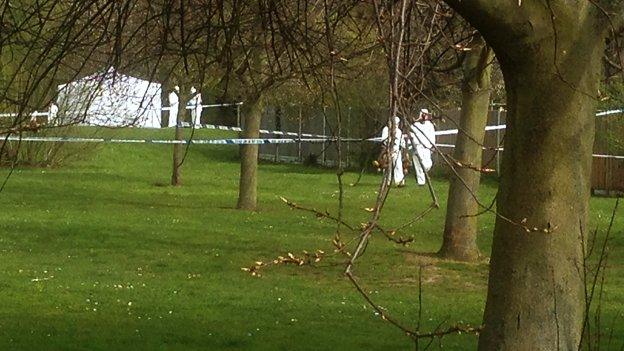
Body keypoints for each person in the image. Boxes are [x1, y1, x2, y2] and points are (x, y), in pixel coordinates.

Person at [409, 108, 436, 185]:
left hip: (427, 147)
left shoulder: (430, 125)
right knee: (419, 164)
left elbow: (432, 135)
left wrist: (433, 145)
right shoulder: (415, 125)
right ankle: (421, 182)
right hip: (418, 147)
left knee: (427, 164)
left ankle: (424, 173)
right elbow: (411, 134)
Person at [380, 115, 405, 186]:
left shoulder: (399, 131)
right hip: (388, 150)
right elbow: (384, 140)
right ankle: (387, 181)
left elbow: (401, 140)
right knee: (387, 166)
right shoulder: (386, 129)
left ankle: (399, 181)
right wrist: (389, 145)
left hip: (397, 151)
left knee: (398, 165)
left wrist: (402, 146)